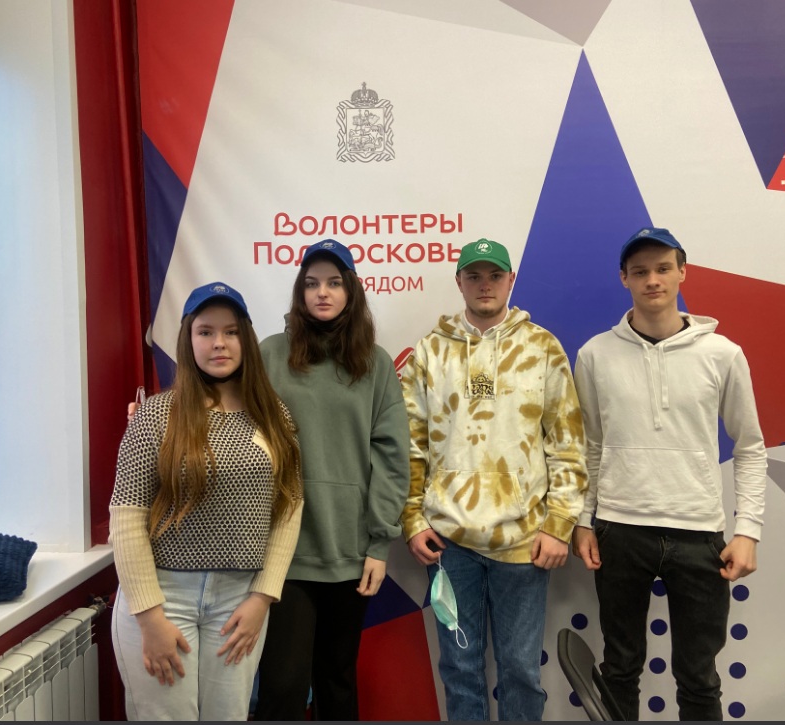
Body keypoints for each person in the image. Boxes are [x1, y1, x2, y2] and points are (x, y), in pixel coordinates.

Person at [572, 227, 767, 721]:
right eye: (640, 271)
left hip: (699, 533)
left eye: (663, 268)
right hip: (620, 529)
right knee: (619, 670)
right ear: (624, 279)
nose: (652, 280)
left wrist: (748, 530)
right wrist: (583, 519)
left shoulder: (722, 354)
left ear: (683, 272)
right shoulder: (595, 355)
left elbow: (749, 447)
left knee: (698, 677)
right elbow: (590, 446)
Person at [400, 238, 588, 721]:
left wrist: (559, 524)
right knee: (460, 668)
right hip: (448, 543)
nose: (485, 285)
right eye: (474, 276)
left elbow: (567, 442)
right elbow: (409, 443)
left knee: (521, 670)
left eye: (495, 276)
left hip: (523, 542)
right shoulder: (430, 352)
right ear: (459, 282)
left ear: (511, 280)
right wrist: (412, 519)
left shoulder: (542, 347)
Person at [109, 282, 303, 721]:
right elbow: (126, 518)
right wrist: (149, 618)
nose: (219, 343)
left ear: (246, 340)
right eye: (205, 332)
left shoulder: (275, 416)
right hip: (163, 598)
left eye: (231, 332)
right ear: (188, 339)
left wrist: (261, 598)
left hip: (239, 601)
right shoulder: (156, 415)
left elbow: (289, 508)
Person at [253, 239, 410, 721]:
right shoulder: (270, 354)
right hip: (283, 551)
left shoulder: (375, 363)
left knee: (336, 681)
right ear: (300, 291)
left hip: (350, 551)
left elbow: (392, 458)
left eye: (334, 282)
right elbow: (227, 419)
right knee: (282, 685)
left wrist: (379, 544)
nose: (322, 292)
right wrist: (163, 415)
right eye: (312, 283)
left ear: (351, 290)